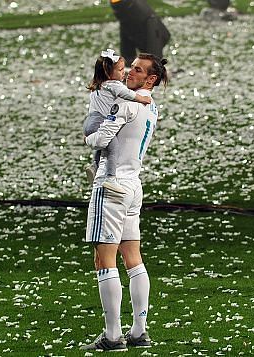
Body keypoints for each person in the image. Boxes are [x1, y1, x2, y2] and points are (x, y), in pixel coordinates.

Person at [80, 53, 168, 351]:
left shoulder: (128, 103)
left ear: (151, 79)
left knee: (104, 260)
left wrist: (87, 138)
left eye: (138, 69)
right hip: (133, 185)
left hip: (111, 184)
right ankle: (139, 330)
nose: (130, 71)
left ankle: (112, 335)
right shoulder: (152, 106)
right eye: (131, 66)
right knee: (133, 256)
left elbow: (102, 138)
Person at [84, 48, 151, 194]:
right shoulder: (114, 85)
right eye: (120, 70)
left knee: (104, 147)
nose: (124, 73)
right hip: (99, 121)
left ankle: (94, 166)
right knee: (113, 146)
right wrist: (143, 99)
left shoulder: (98, 85)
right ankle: (111, 178)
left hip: (90, 121)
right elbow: (128, 94)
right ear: (109, 73)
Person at [109, 0, 170, 67]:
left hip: (151, 29)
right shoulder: (125, 12)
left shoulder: (147, 18)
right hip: (129, 23)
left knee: (153, 64)